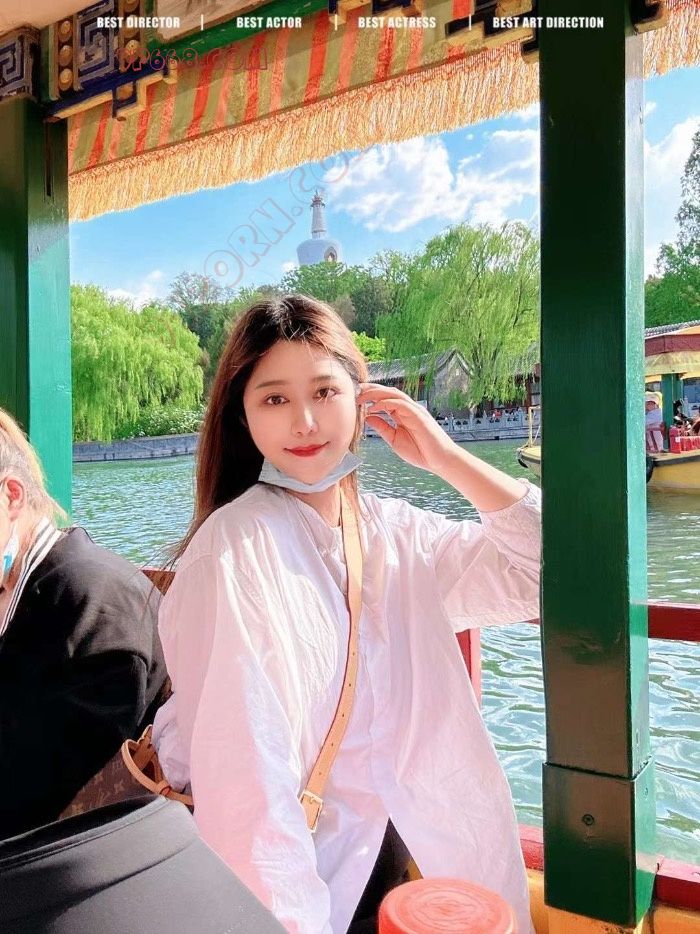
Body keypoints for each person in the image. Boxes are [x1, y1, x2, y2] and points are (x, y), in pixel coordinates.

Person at [153, 295, 541, 934]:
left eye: (325, 391)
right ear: (243, 417)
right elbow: (246, 784)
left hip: (427, 859)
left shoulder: (397, 533)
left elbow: (547, 573)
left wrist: (446, 460)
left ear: (362, 398)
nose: (304, 421)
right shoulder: (235, 550)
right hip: (319, 880)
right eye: (274, 399)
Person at [0, 408, 168, 838]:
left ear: (13, 495)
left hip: (86, 858)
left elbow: (43, 797)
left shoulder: (95, 606)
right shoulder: (33, 588)